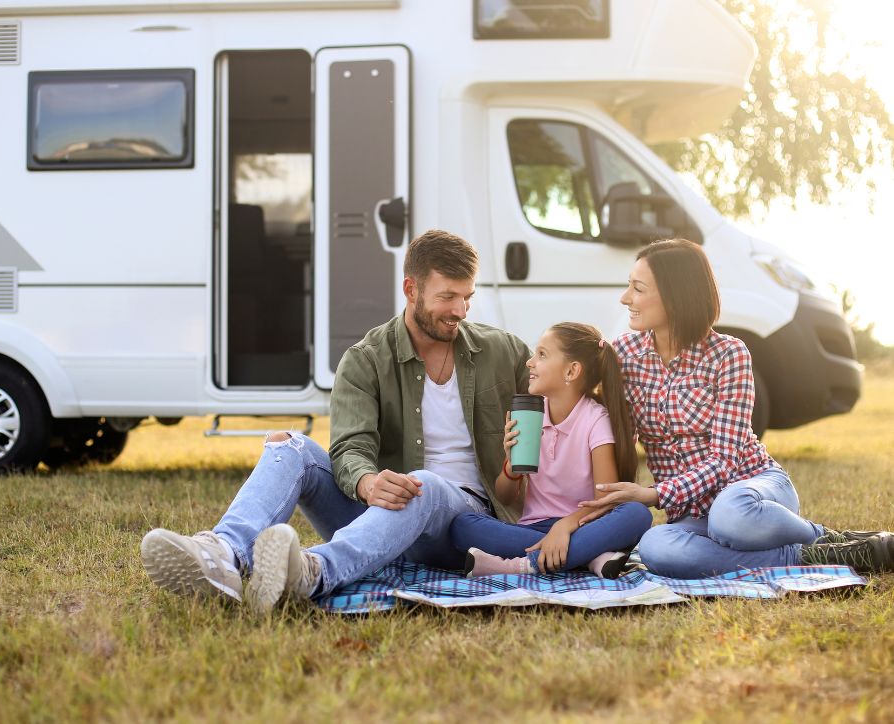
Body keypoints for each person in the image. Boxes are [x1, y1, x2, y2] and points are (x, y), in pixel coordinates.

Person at [140, 230, 531, 611]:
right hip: (380, 515)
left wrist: (593, 361)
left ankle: (313, 572)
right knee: (290, 445)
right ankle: (222, 554)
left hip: (463, 524)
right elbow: (349, 447)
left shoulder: (504, 351)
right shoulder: (366, 359)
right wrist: (368, 482)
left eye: (467, 297)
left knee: (423, 484)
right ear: (411, 289)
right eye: (448, 297)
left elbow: (565, 402)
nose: (460, 311)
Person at [573, 238, 893, 577]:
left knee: (731, 519)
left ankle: (826, 538)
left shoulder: (730, 354)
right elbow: (598, 420)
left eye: (637, 289)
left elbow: (724, 462)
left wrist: (653, 494)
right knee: (656, 547)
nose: (626, 299)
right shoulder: (625, 354)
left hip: (751, 490)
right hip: (692, 514)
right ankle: (814, 555)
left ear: (674, 295)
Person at [450, 323, 653, 578]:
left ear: (571, 371)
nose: (530, 363)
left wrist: (565, 526)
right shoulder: (529, 415)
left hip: (584, 523)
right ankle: (587, 556)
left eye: (542, 355)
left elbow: (606, 499)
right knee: (462, 525)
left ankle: (523, 565)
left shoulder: (594, 419)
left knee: (636, 514)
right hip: (534, 528)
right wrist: (511, 468)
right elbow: (506, 497)